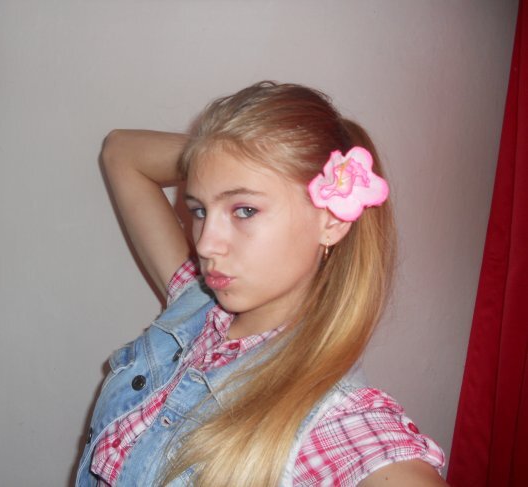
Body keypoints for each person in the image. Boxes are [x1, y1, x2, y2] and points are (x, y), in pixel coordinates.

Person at [75, 81, 447, 486]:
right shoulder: (196, 300)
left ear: (332, 219)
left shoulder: (334, 418)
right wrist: (218, 157)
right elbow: (120, 151)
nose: (205, 244)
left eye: (244, 210)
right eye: (199, 210)